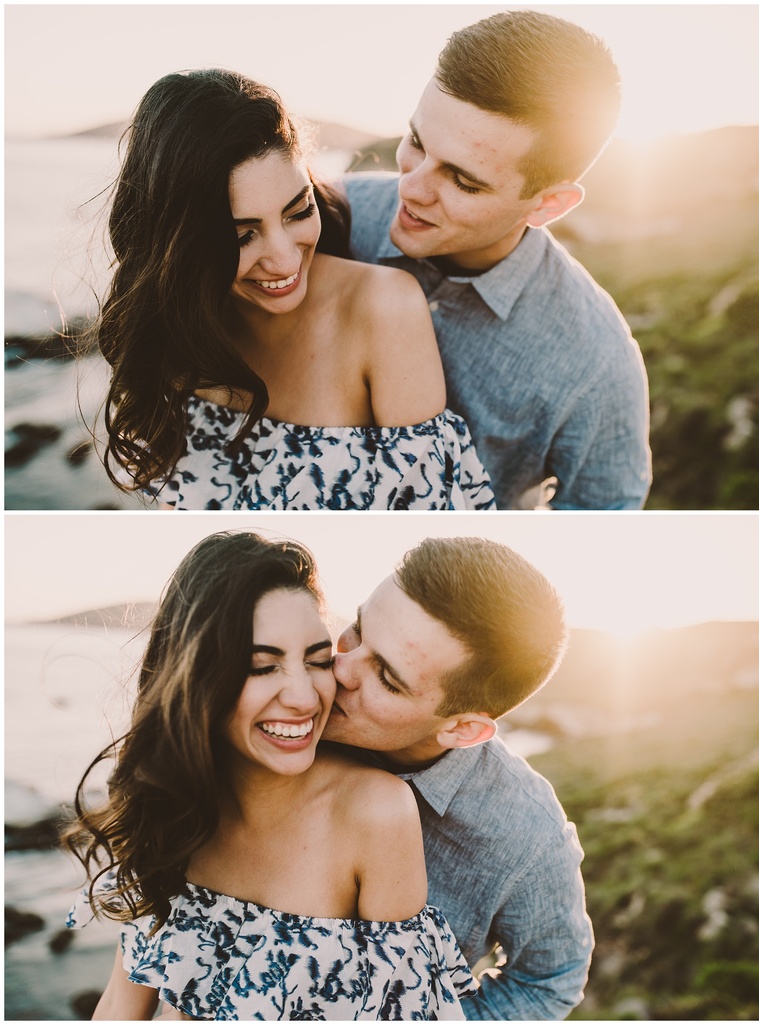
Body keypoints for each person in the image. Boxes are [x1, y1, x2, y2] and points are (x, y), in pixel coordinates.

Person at [62, 531, 476, 1020]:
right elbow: (122, 1002)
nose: (304, 697)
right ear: (195, 677)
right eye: (263, 666)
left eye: (318, 661)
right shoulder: (175, 804)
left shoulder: (374, 812)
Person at [94, 68, 494, 511]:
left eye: (298, 211)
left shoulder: (383, 308)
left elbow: (430, 515)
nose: (285, 261)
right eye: (242, 236)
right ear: (179, 245)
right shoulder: (170, 335)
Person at [344, 9, 652, 510]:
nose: (411, 187)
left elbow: (605, 520)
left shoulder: (598, 364)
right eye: (417, 142)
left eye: (463, 180)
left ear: (548, 205)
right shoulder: (320, 221)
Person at [322, 536, 594, 1019]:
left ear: (463, 729)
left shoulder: (527, 838)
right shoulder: (276, 709)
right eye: (357, 630)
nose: (339, 668)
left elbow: (548, 982)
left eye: (386, 676)